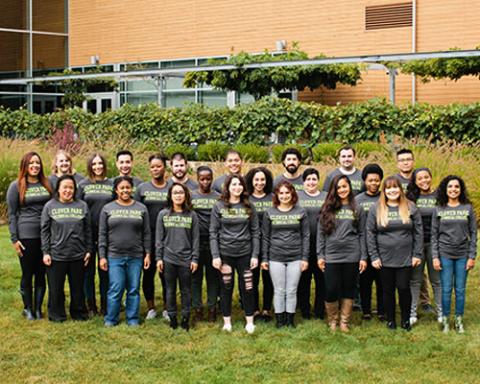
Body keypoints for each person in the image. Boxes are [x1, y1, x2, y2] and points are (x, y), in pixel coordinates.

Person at [366, 176, 423, 331]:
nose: (392, 191)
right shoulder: (376, 208)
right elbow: (370, 233)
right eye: (389, 188)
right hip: (384, 258)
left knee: (404, 287)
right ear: (384, 191)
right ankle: (390, 319)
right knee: (387, 290)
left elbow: (418, 233)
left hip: (405, 257)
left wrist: (417, 254)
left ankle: (405, 319)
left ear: (400, 189)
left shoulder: (410, 207)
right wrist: (374, 256)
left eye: (395, 187)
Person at [99, 176, 151, 327]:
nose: (125, 190)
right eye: (122, 188)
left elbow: (146, 233)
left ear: (132, 189)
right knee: (116, 288)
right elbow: (102, 234)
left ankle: (132, 318)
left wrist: (147, 254)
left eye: (128, 187)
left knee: (134, 288)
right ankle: (111, 318)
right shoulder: (108, 208)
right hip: (114, 256)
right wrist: (102, 256)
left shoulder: (141, 208)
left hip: (136, 255)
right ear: (116, 190)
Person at [210, 175, 259, 333]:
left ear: (243, 187)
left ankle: (249, 321)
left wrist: (255, 255)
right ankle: (227, 322)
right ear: (228, 187)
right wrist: (216, 255)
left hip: (245, 253)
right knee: (226, 287)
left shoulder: (249, 206)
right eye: (234, 184)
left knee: (248, 287)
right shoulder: (219, 206)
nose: (237, 187)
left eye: (239, 184)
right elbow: (213, 232)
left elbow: (255, 232)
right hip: (225, 254)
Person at [318, 175, 367, 332]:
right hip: (331, 255)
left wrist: (363, 257)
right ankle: (333, 320)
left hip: (352, 254)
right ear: (334, 189)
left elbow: (362, 234)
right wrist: (320, 255)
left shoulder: (357, 208)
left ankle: (344, 321)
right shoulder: (327, 208)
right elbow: (320, 234)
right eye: (338, 187)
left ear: (350, 188)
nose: (342, 190)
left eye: (345, 186)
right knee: (331, 288)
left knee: (349, 288)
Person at [7, 152, 52, 320]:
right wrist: (14, 239)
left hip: (46, 234)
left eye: (37, 163)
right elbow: (12, 214)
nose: (35, 166)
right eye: (31, 163)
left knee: (42, 273)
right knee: (28, 273)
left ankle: (38, 309)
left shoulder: (46, 184)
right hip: (26, 235)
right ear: (25, 166)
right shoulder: (16, 186)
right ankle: (28, 308)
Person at [41, 175, 92, 322]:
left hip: (78, 254)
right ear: (58, 189)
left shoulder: (82, 205)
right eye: (65, 187)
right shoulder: (50, 206)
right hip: (56, 255)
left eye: (71, 187)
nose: (68, 190)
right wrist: (46, 252)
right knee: (55, 288)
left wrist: (88, 250)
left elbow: (88, 230)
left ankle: (79, 313)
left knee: (77, 288)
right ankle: (57, 314)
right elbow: (44, 231)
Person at [432, 175, 477, 333]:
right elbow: (434, 235)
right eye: (450, 187)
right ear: (445, 189)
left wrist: (472, 256)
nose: (453, 189)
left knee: (460, 289)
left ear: (460, 189)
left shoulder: (468, 208)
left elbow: (473, 233)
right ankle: (445, 320)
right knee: (445, 289)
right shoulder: (439, 208)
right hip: (444, 254)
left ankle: (458, 320)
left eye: (456, 187)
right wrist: (435, 257)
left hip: (462, 255)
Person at [261, 181, 309, 328]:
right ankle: (280, 320)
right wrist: (264, 258)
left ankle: (290, 320)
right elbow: (265, 237)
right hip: (275, 256)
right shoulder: (270, 212)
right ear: (277, 195)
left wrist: (305, 258)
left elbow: (305, 235)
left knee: (292, 289)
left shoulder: (301, 211)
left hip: (295, 256)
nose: (284, 196)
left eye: (287, 193)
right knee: (279, 289)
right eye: (281, 193)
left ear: (292, 194)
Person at [156, 183, 199, 330]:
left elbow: (195, 239)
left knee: (186, 290)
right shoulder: (163, 214)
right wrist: (159, 258)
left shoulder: (192, 215)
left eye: (181, 192)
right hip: (168, 259)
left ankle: (186, 318)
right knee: (170, 289)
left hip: (186, 259)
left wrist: (195, 258)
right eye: (175, 193)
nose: (178, 195)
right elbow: (159, 239)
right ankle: (172, 317)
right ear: (170, 196)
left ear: (186, 195)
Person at [395, 148, 432, 314]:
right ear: (397, 163)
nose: (405, 162)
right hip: (404, 231)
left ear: (413, 161)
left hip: (426, 233)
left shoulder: (421, 177)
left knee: (420, 270)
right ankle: (405, 300)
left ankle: (424, 300)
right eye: (402, 160)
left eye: (408, 159)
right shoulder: (394, 180)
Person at [135, 154, 170, 321]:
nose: (155, 169)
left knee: (167, 275)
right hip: (147, 237)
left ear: (165, 167)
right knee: (148, 274)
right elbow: (135, 210)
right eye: (153, 167)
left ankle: (166, 307)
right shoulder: (142, 188)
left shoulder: (171, 187)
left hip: (167, 238)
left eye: (158, 166)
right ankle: (150, 308)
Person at [78, 153, 114, 316]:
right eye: (94, 164)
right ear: (90, 166)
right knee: (88, 272)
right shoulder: (83, 185)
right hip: (88, 233)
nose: (97, 167)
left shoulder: (111, 184)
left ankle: (106, 306)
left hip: (108, 234)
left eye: (100, 163)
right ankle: (91, 305)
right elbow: (79, 208)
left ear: (104, 165)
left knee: (105, 271)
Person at [406, 168, 442, 325]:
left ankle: (441, 312)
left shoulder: (439, 197)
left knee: (437, 280)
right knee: (415, 279)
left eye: (426, 177)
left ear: (431, 177)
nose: (424, 181)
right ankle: (412, 312)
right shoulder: (410, 198)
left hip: (435, 244)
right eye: (420, 178)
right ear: (415, 181)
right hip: (416, 244)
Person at [191, 166, 221, 322]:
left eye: (208, 178)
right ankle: (197, 308)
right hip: (195, 241)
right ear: (197, 179)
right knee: (195, 277)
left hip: (213, 242)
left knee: (213, 277)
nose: (205, 182)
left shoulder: (218, 197)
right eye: (202, 179)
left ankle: (212, 308)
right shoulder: (191, 196)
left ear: (212, 178)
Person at [355, 164, 385, 321]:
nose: (373, 183)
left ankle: (382, 310)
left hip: (383, 246)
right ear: (364, 181)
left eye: (377, 180)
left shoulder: (385, 198)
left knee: (382, 282)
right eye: (370, 180)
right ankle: (365, 310)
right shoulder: (358, 200)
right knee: (365, 282)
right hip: (363, 246)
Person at [297, 168, 327, 319]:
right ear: (303, 182)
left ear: (318, 180)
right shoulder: (297, 197)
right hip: (302, 245)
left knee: (321, 280)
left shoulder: (325, 196)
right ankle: (305, 310)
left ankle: (320, 310)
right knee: (304, 280)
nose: (311, 182)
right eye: (308, 179)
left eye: (314, 179)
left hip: (322, 245)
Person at [245, 166, 274, 321]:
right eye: (256, 179)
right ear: (251, 181)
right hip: (251, 243)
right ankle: (254, 308)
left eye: (262, 179)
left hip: (270, 243)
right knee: (253, 277)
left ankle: (267, 308)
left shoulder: (273, 198)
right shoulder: (246, 199)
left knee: (268, 277)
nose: (260, 182)